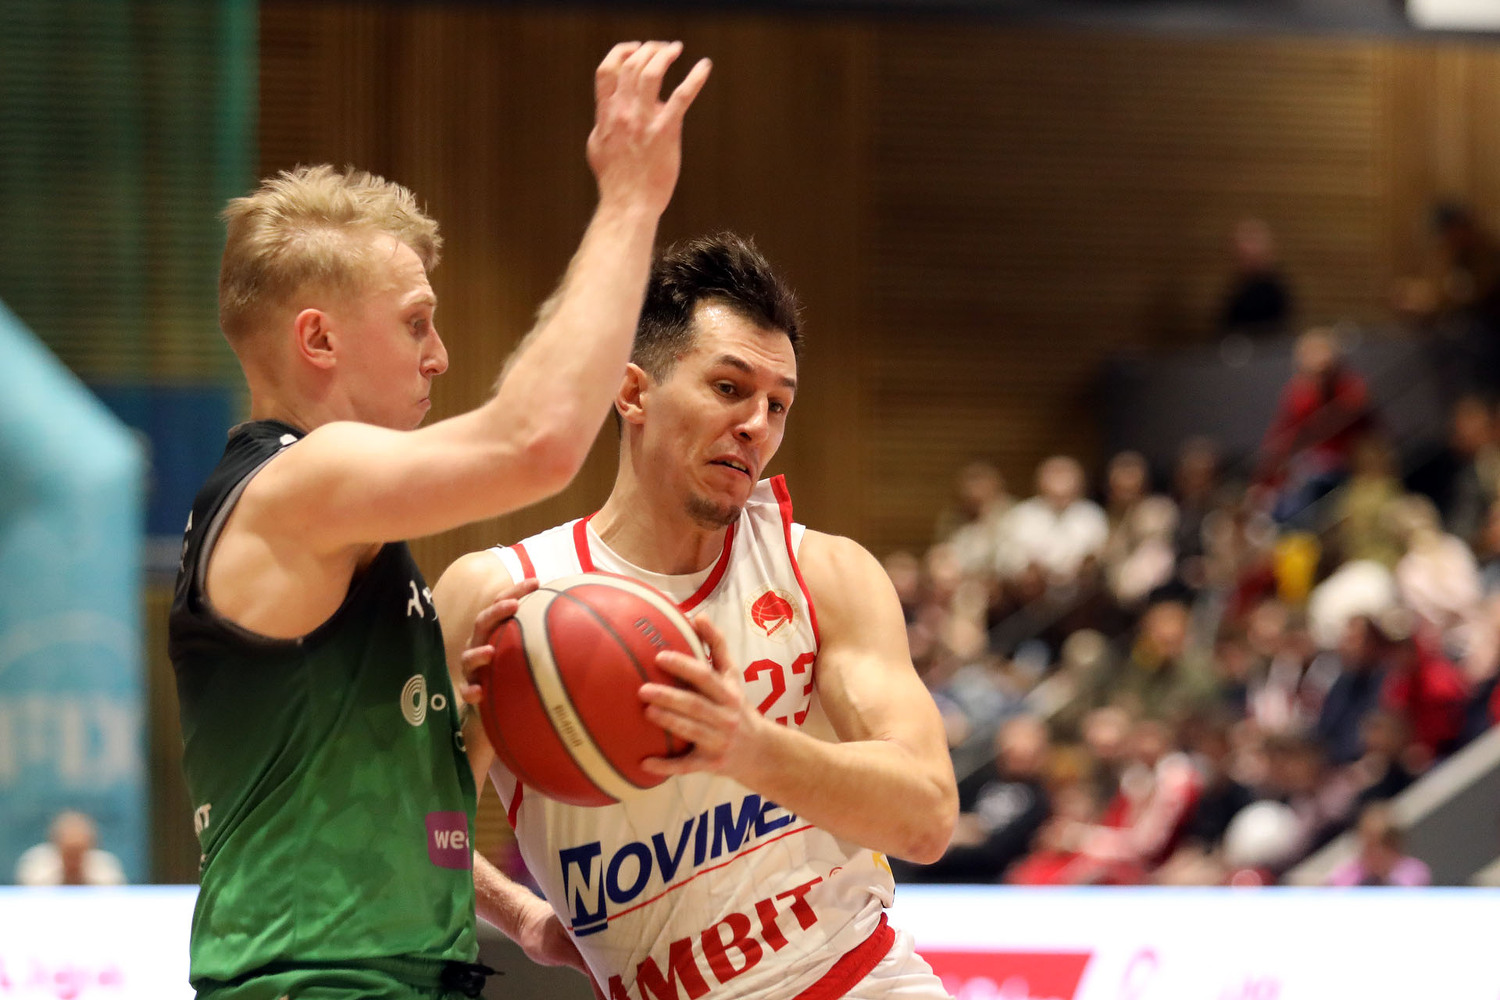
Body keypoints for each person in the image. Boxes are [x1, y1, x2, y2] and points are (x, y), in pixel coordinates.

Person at [166, 42, 711, 1000]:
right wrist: (630, 201)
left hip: (395, 973)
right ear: (318, 338)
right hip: (315, 985)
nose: (440, 354)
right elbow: (536, 443)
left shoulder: (334, 523)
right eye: (417, 321)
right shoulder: (299, 484)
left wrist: (514, 908)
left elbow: (386, 805)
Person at [435, 234, 959, 1000]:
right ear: (633, 392)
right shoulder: (501, 596)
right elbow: (416, 831)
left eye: (777, 405)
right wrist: (519, 916)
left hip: (857, 981)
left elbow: (929, 817)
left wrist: (748, 747)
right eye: (728, 387)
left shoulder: (824, 573)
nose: (757, 424)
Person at [13, 810, 126, 886]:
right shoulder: (35, 866)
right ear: (56, 846)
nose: (74, 859)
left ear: (90, 847)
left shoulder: (106, 869)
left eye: (79, 851)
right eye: (69, 852)